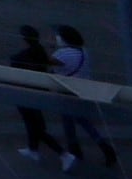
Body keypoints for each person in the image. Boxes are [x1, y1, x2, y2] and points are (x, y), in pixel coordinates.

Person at [50, 28, 119, 169]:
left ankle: (76, 149)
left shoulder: (63, 53)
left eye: (57, 37)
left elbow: (49, 63)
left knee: (69, 121)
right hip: (83, 90)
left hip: (67, 91)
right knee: (80, 120)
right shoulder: (83, 51)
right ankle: (101, 147)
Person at [10, 25, 61, 160]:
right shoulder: (40, 51)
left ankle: (63, 154)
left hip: (26, 92)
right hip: (38, 90)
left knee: (35, 125)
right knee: (33, 123)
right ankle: (33, 149)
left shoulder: (22, 56)